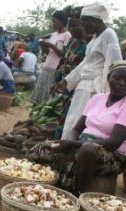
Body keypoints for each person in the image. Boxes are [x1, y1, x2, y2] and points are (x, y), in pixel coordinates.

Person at [29, 62, 126, 194]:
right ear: (108, 77)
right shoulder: (97, 99)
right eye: (117, 78)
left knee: (87, 150)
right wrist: (69, 144)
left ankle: (77, 193)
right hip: (82, 143)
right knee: (40, 149)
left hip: (111, 155)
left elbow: (113, 143)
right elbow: (77, 129)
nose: (122, 83)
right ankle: (45, 185)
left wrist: (73, 143)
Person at [55, 3, 122, 140]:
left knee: (87, 125)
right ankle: (67, 151)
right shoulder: (94, 38)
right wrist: (67, 80)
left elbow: (115, 66)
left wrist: (109, 94)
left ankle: (78, 153)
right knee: (74, 121)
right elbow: (86, 63)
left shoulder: (109, 35)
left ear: (94, 21)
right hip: (83, 87)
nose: (83, 27)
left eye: (84, 23)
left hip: (95, 89)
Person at [53, 8, 88, 138]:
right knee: (63, 115)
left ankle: (64, 142)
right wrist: (56, 81)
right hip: (65, 86)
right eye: (70, 26)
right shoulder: (72, 42)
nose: (71, 29)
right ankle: (58, 141)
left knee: (71, 117)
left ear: (83, 26)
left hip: (78, 88)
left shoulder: (88, 45)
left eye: (75, 26)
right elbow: (63, 61)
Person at [30, 10, 71, 105]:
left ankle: (43, 108)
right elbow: (47, 52)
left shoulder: (67, 35)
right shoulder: (53, 34)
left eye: (55, 21)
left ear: (62, 21)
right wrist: (43, 45)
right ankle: (36, 109)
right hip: (47, 64)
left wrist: (50, 45)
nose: (53, 24)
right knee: (41, 90)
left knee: (49, 91)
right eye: (52, 21)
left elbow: (63, 54)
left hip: (55, 67)